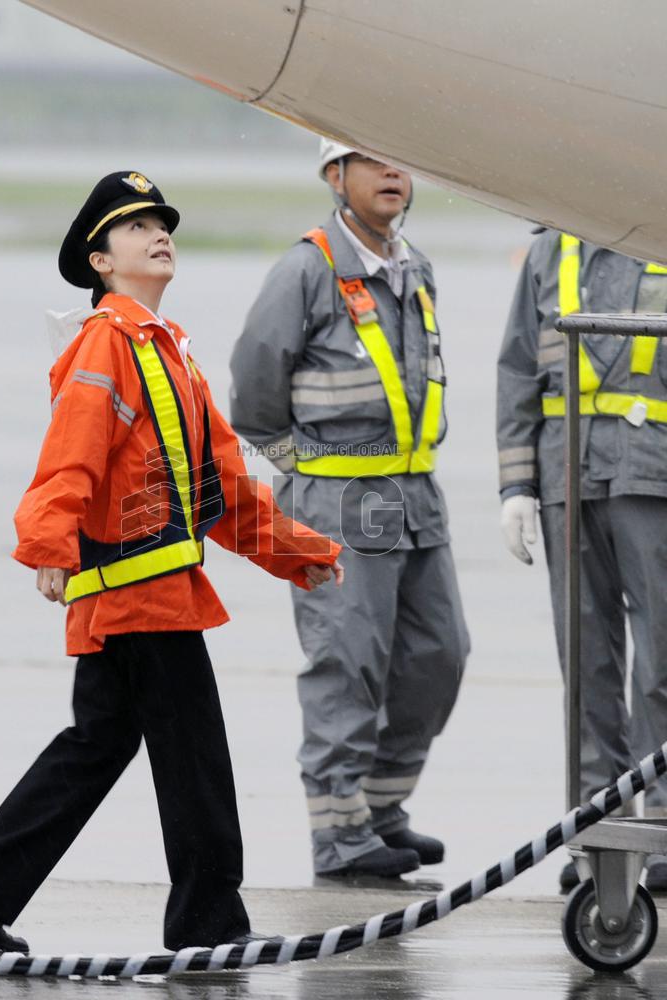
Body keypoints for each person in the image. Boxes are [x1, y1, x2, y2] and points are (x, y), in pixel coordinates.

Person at [0, 170, 343, 953]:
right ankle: (208, 925)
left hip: (148, 594)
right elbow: (68, 459)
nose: (159, 234)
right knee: (196, 761)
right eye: (135, 226)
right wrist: (47, 546)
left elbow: (222, 490)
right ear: (100, 261)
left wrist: (299, 554)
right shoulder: (107, 344)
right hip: (141, 595)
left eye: (163, 223)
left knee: (96, 746)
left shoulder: (169, 352)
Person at [229, 140, 469, 880]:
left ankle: (380, 812)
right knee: (348, 663)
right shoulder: (306, 269)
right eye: (374, 161)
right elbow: (252, 386)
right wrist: (300, 473)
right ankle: (338, 836)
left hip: (413, 495)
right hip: (340, 499)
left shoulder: (414, 268)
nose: (395, 172)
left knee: (438, 656)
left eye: (403, 160)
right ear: (336, 177)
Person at [497, 229, 667, 893]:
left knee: (661, 663)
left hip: (653, 476)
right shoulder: (550, 250)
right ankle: (597, 834)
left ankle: (660, 831)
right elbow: (516, 370)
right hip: (568, 476)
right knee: (588, 666)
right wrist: (515, 486)